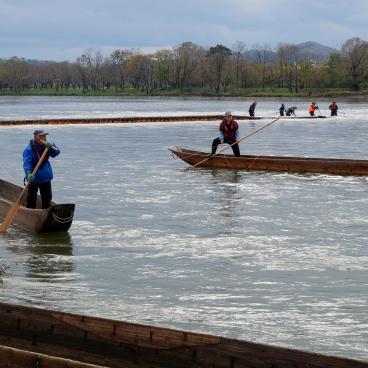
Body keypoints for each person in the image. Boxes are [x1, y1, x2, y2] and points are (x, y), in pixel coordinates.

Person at [23, 129, 60, 209]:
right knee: (31, 200)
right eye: (41, 136)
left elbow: (56, 153)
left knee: (47, 199)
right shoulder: (29, 149)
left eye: (44, 136)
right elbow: (27, 163)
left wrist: (53, 147)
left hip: (45, 177)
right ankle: (30, 215)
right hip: (33, 178)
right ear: (35, 137)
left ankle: (45, 215)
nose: (44, 138)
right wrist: (28, 174)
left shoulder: (46, 146)